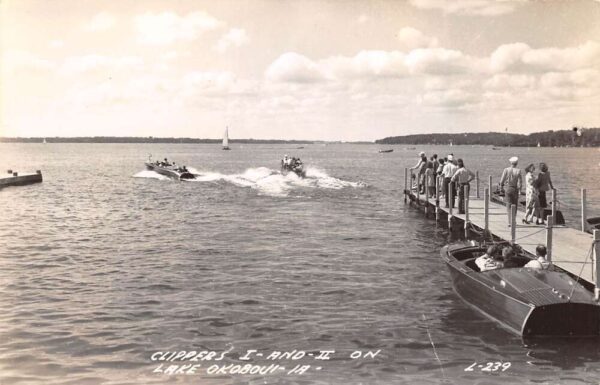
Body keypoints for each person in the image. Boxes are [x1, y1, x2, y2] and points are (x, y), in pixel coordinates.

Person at [499, 157, 523, 226]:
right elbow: (520, 182)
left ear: (510, 163)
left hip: (508, 188)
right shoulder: (518, 170)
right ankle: (514, 221)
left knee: (508, 205)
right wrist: (520, 190)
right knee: (515, 205)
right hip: (515, 189)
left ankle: (509, 222)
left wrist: (501, 187)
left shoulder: (506, 169)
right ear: (517, 163)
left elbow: (502, 180)